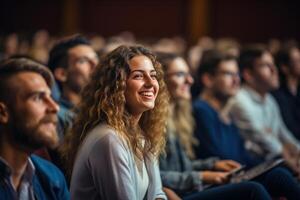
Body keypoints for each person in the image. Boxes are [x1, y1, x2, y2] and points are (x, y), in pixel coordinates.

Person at [157, 52, 272, 200]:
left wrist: (213, 164)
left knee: (275, 173)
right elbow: (156, 177)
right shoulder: (196, 111)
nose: (190, 80)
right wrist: (202, 175)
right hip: (180, 193)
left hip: (188, 188)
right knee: (253, 189)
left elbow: (181, 167)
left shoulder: (177, 117)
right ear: (160, 79)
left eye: (188, 74)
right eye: (180, 74)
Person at [61, 45, 169, 199]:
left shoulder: (140, 132)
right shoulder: (109, 139)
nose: (151, 83)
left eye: (153, 75)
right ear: (116, 86)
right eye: (138, 76)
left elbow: (158, 193)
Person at [192, 50, 300, 200]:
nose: (236, 80)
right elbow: (222, 156)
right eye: (228, 74)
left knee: (279, 172)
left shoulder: (225, 112)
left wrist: (270, 165)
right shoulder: (201, 110)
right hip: (217, 181)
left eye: (237, 74)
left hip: (237, 176)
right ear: (208, 79)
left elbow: (243, 155)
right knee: (266, 182)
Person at [0, 58, 69, 199]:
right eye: (38, 97)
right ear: (2, 112)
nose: (55, 107)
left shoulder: (52, 177)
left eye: (50, 97)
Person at [227, 46, 300, 174]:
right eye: (265, 65)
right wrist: (290, 158)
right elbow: (265, 140)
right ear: (248, 74)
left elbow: (284, 134)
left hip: (276, 161)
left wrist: (298, 152)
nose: (274, 70)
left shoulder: (270, 99)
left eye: (273, 64)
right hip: (256, 167)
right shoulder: (240, 100)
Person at [272, 45, 300, 140]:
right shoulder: (278, 95)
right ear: (285, 67)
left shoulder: (297, 91)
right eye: (297, 61)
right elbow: (290, 127)